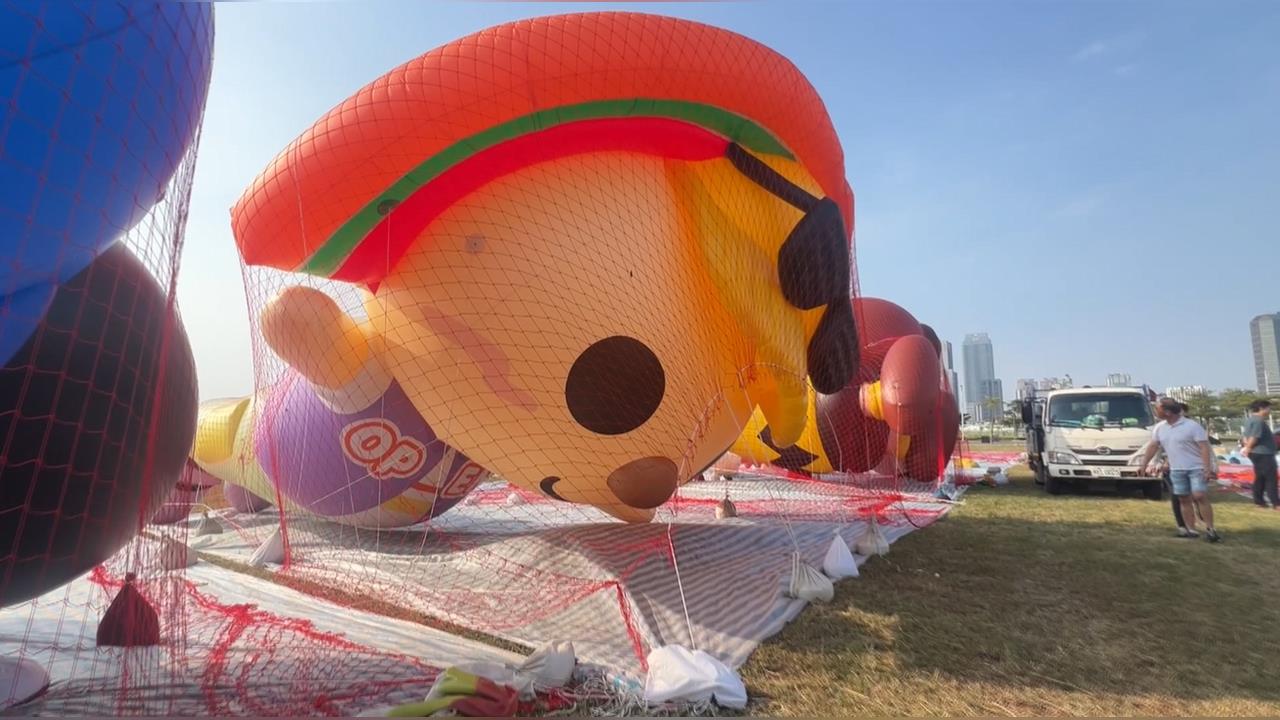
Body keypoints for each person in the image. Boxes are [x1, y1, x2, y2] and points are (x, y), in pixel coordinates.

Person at [1140, 397, 1220, 542]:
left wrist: (1207, 468)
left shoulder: (1192, 426)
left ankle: (1210, 529)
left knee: (1199, 495)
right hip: (1177, 469)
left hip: (1196, 468)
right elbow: (1153, 446)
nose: (1155, 411)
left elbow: (1204, 447)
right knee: (1183, 498)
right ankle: (1191, 530)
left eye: (1157, 408)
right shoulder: (1160, 427)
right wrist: (1144, 463)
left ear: (1168, 411)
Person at [1240, 399, 1278, 509]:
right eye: (1268, 408)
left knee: (1260, 477)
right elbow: (1254, 437)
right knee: (1270, 478)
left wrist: (1247, 447)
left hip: (1257, 453)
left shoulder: (1250, 420)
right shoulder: (1258, 421)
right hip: (1263, 453)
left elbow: (1245, 436)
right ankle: (1276, 503)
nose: (1269, 410)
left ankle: (1259, 501)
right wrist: (1248, 447)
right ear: (1262, 408)